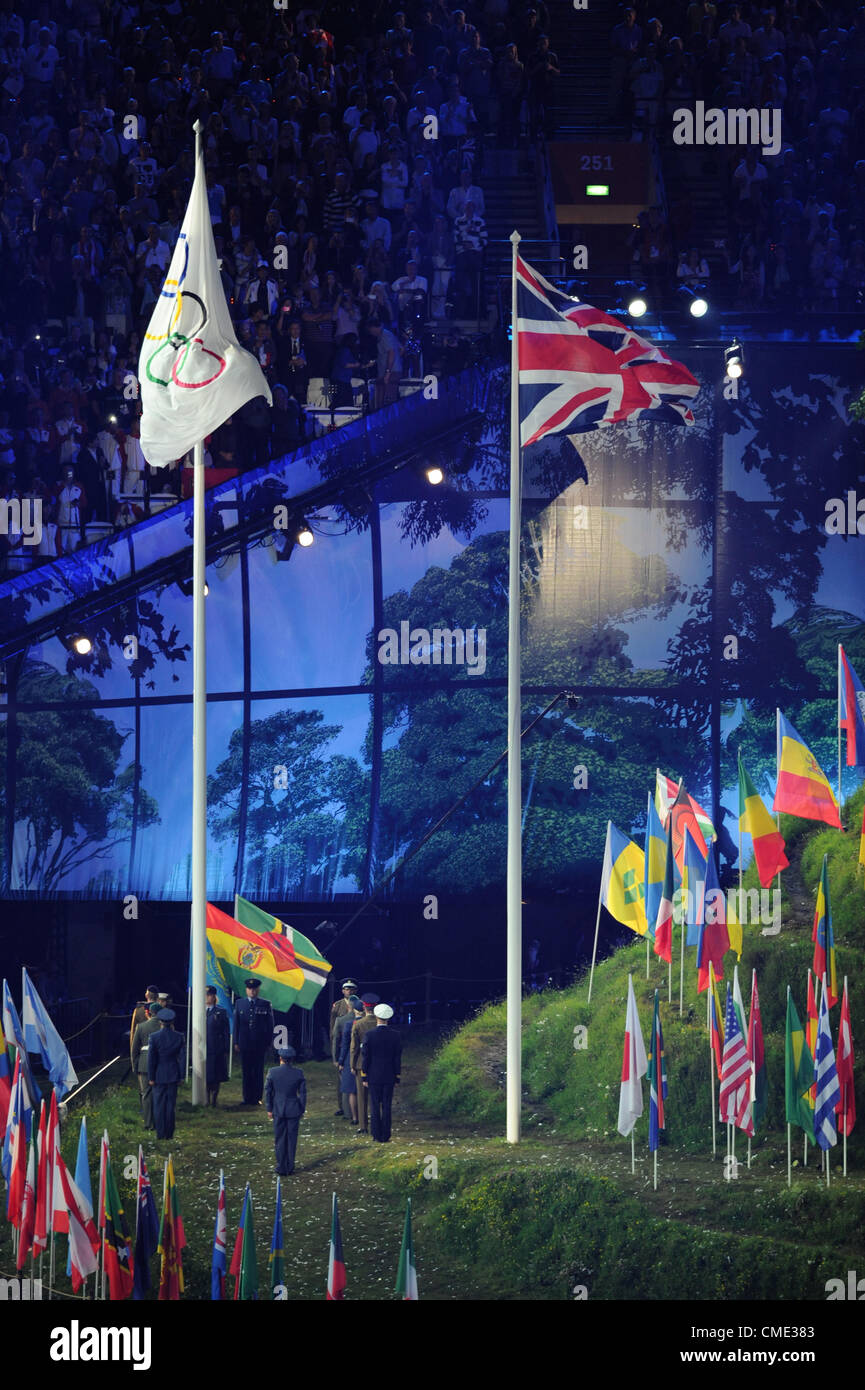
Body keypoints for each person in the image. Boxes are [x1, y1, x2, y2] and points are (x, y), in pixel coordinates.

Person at [360, 1003, 402, 1143]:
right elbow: (397, 1057)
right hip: (389, 1075)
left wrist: (364, 1074)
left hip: (373, 1075)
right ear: (388, 1018)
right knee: (387, 1105)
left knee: (374, 1105)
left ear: (376, 1016)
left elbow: (366, 1057)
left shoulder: (369, 1035)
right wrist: (397, 1076)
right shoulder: (396, 1035)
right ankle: (386, 1135)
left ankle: (376, 1134)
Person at [265, 1046, 307, 1175]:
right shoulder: (298, 1073)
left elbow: (268, 1092)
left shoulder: (272, 1072)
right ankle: (290, 1166)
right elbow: (303, 1094)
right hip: (293, 1109)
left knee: (280, 1139)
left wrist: (269, 1109)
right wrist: (301, 1109)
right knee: (291, 1139)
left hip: (278, 1108)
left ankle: (281, 1166)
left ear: (280, 1058)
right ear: (292, 1059)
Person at [234, 978, 275, 1105]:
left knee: (258, 1071)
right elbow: (236, 1024)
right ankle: (247, 1098)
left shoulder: (265, 1004)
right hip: (245, 1043)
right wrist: (236, 1041)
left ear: (258, 989)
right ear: (246, 990)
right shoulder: (240, 1003)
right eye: (250, 989)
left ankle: (257, 1097)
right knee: (246, 1071)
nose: (252, 991)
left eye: (254, 989)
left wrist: (269, 1042)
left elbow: (269, 1025)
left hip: (259, 1043)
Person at [147, 1008, 185, 1140]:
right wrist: (181, 1076)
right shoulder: (179, 1037)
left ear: (160, 1022)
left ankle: (160, 1133)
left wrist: (151, 1077)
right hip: (173, 1074)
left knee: (158, 1105)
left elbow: (151, 1059)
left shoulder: (154, 1037)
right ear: (172, 1021)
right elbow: (182, 1058)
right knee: (170, 1106)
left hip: (158, 1075)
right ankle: (169, 1133)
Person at [350, 993, 379, 1133]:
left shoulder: (358, 1024)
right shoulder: (379, 1023)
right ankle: (376, 1123)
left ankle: (363, 1126)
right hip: (377, 1063)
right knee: (376, 1096)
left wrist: (352, 1064)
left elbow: (354, 1047)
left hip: (361, 1063)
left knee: (362, 1096)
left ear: (364, 1007)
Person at [131, 1003, 162, 1130]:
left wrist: (135, 1066)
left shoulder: (141, 1027)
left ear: (148, 1013)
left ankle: (148, 1123)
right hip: (160, 1063)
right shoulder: (164, 1027)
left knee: (146, 1094)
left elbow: (134, 1050)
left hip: (144, 1063)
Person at [330, 979, 358, 1114]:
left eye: (351, 989)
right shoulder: (338, 1005)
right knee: (340, 1079)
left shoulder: (359, 1004)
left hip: (353, 1045)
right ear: (342, 991)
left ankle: (351, 1108)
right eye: (347, 989)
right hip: (342, 1044)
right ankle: (342, 1106)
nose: (349, 991)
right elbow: (333, 1026)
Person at [337, 995, 363, 1124]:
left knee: (352, 1091)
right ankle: (363, 1116)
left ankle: (355, 1118)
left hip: (350, 1059)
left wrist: (341, 1061)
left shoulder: (348, 1024)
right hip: (364, 1058)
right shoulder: (368, 1023)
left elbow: (345, 1045)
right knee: (363, 1090)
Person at [205, 986, 231, 1107]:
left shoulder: (220, 1012)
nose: (207, 997)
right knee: (206, 1074)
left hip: (216, 1048)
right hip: (203, 1048)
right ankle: (206, 1098)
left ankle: (214, 1099)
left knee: (216, 1075)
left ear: (214, 996)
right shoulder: (199, 1011)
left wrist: (225, 1047)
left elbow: (226, 1031)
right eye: (205, 995)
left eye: (209, 995)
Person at [129, 985, 159, 1060]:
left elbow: (133, 1033)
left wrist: (133, 1058)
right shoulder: (162, 1010)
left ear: (146, 995)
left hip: (143, 1053)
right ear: (157, 996)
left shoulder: (138, 1010)